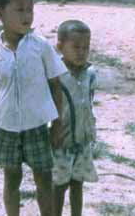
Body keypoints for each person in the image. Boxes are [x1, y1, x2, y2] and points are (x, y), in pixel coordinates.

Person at [0, 0, 65, 216]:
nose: (27, 15)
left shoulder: (41, 46)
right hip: (6, 125)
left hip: (37, 124)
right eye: (19, 10)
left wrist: (57, 124)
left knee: (43, 177)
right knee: (11, 178)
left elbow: (56, 85)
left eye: (30, 9)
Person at [52, 20, 99, 216]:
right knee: (59, 185)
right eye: (76, 47)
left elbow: (88, 103)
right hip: (61, 139)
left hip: (82, 140)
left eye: (85, 48)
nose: (81, 52)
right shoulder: (56, 75)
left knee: (78, 183)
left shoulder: (90, 73)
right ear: (60, 47)